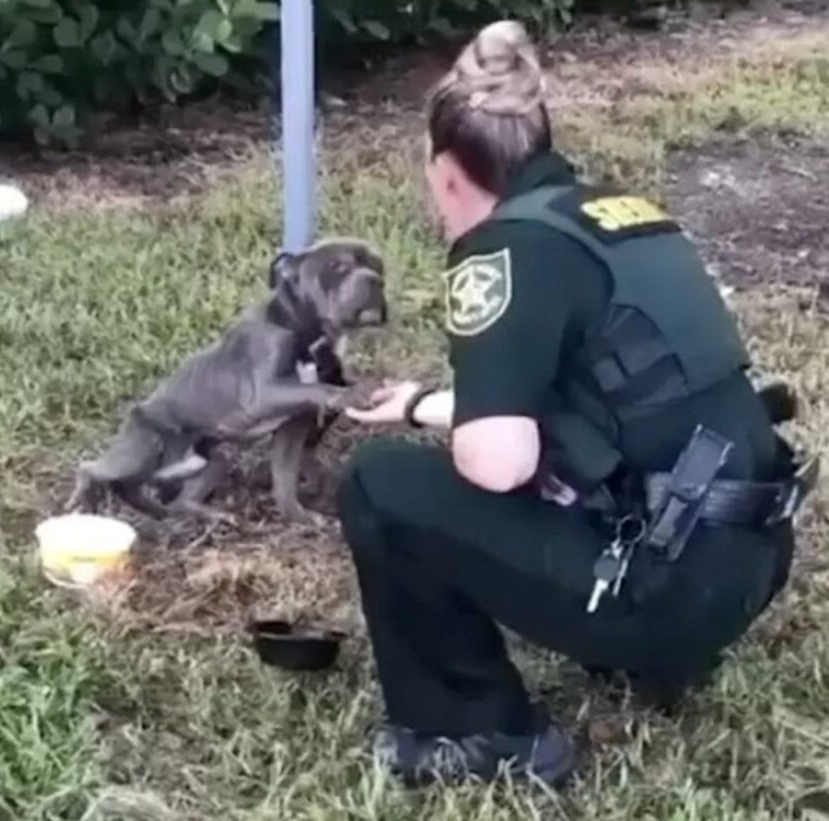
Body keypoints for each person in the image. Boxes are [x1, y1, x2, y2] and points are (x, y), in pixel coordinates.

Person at [336, 20, 818, 789]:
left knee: (378, 484)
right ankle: (660, 656)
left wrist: (447, 429)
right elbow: (605, 406)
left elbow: (498, 462)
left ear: (449, 170)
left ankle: (480, 728)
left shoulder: (500, 251)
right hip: (746, 567)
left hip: (662, 595)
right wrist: (423, 402)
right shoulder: (621, 215)